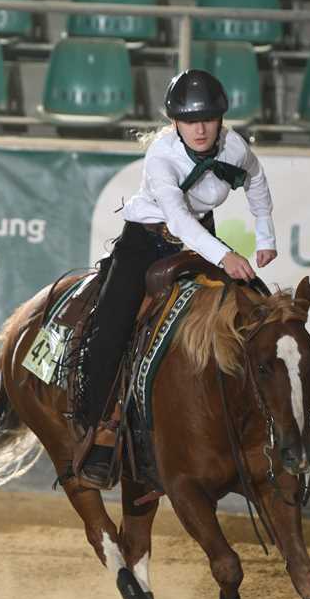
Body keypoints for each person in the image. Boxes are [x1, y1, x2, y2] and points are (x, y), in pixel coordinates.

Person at [79, 68, 278, 486]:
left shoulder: (235, 147)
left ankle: (257, 424)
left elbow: (256, 181)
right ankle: (98, 431)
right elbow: (179, 220)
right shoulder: (161, 156)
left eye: (208, 119)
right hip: (147, 242)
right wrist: (225, 255)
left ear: (221, 119)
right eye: (190, 121)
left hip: (201, 238)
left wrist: (265, 236)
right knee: (110, 329)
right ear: (174, 123)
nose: (200, 129)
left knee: (253, 306)